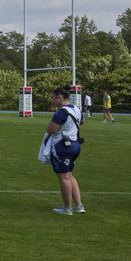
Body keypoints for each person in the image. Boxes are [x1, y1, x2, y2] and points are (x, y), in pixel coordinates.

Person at [39, 86, 85, 215]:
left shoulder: (60, 112)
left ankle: (67, 208)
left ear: (61, 97)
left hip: (62, 146)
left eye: (53, 98)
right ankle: (78, 205)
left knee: (64, 177)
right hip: (75, 145)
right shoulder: (76, 109)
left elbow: (51, 130)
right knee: (69, 175)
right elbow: (81, 122)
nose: (52, 101)